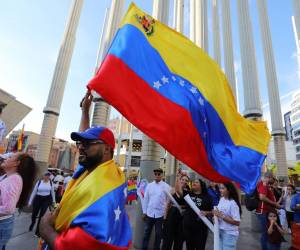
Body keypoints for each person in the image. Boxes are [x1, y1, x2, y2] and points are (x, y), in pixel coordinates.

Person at [39, 92, 131, 249]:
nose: (81, 146)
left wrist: (45, 228)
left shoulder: (107, 184)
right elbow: (86, 137)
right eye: (79, 143)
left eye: (88, 143)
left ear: (108, 149)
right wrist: (85, 111)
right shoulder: (92, 167)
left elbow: (78, 244)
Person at [0, 153, 37, 249]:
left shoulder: (15, 179)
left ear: (16, 163)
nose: (6, 158)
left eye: (10, 157)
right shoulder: (7, 177)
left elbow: (8, 209)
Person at [142, 168, 171, 250]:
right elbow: (146, 199)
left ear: (162, 175)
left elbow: (169, 201)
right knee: (146, 233)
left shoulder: (166, 186)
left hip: (160, 215)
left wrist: (166, 214)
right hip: (150, 213)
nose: (157, 175)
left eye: (159, 174)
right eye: (155, 174)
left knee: (158, 234)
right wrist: (144, 212)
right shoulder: (149, 186)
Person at [162, 169, 190, 250]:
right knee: (168, 238)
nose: (184, 181)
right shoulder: (172, 190)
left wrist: (178, 176)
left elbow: (180, 193)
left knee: (179, 239)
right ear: (180, 180)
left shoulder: (188, 192)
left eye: (186, 180)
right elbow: (167, 204)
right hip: (171, 215)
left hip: (181, 217)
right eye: (183, 179)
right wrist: (165, 218)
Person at [182, 179, 213, 250]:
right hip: (188, 227)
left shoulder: (208, 197)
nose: (193, 183)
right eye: (193, 182)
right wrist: (179, 177)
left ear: (201, 185)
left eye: (196, 182)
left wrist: (207, 213)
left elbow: (213, 212)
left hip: (201, 229)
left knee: (200, 247)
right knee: (189, 247)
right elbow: (178, 190)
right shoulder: (188, 194)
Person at [255, 172, 280, 250]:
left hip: (264, 211)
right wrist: (274, 204)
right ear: (268, 177)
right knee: (266, 233)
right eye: (273, 178)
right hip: (263, 212)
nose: (273, 180)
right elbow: (262, 197)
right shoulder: (263, 184)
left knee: (266, 233)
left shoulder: (264, 184)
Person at [213, 182, 241, 250]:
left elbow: (237, 222)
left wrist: (221, 216)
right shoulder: (222, 199)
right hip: (220, 231)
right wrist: (215, 218)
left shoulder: (233, 203)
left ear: (229, 190)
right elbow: (218, 212)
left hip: (229, 234)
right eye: (220, 188)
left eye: (223, 188)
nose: (220, 190)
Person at [28, 172, 56, 236]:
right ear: (43, 176)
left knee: (41, 216)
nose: (47, 177)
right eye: (46, 175)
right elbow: (34, 192)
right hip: (38, 199)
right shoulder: (39, 182)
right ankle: (33, 223)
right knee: (34, 214)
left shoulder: (51, 183)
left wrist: (54, 201)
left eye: (48, 176)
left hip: (45, 200)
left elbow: (52, 193)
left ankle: (37, 231)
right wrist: (30, 202)